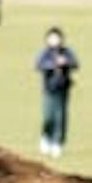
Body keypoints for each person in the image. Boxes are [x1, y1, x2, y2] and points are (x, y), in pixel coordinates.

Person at [33, 27, 79, 157]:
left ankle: (57, 143)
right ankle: (45, 138)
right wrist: (53, 64)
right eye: (52, 38)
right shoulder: (45, 53)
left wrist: (65, 62)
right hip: (48, 90)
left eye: (57, 38)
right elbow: (38, 65)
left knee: (60, 117)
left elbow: (75, 63)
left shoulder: (66, 52)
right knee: (48, 116)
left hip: (63, 89)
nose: (55, 40)